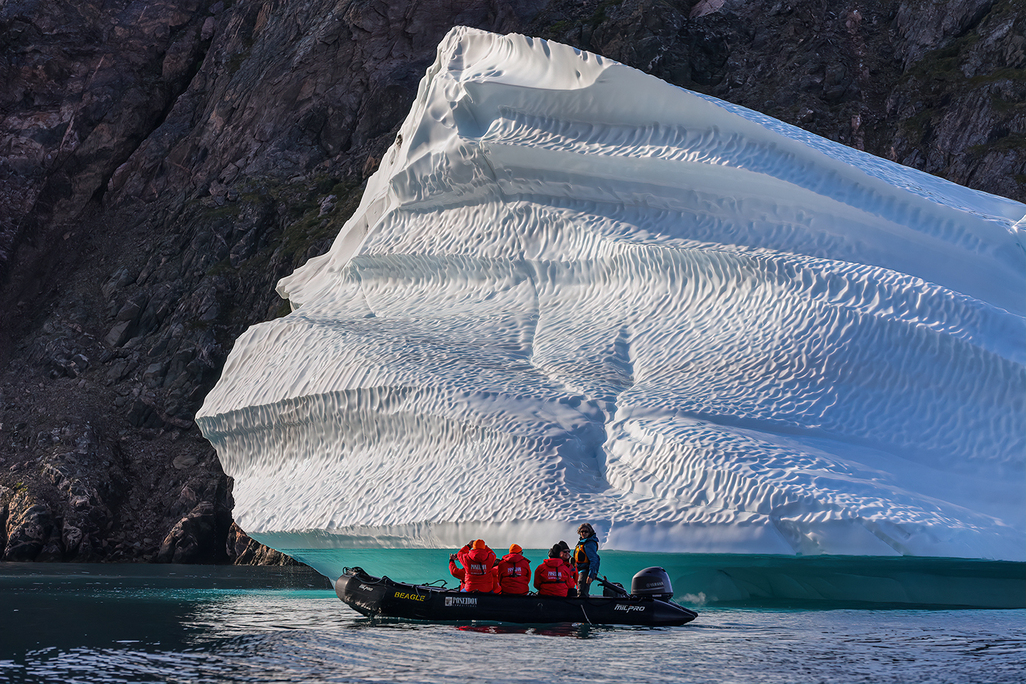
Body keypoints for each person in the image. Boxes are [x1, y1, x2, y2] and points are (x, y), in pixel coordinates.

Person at [573, 523, 600, 597]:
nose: (583, 533)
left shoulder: (589, 544)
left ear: (590, 532)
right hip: (580, 570)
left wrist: (591, 575)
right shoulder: (582, 542)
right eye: (582, 532)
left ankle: (582, 607)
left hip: (586, 571)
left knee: (582, 593)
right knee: (579, 590)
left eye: (586, 531)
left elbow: (594, 559)